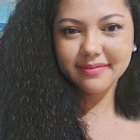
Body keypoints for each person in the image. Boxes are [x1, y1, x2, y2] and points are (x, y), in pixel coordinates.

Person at [0, 0, 140, 139]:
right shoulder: (11, 124)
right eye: (71, 30)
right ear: (48, 39)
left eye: (111, 27)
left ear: (135, 35)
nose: (90, 48)